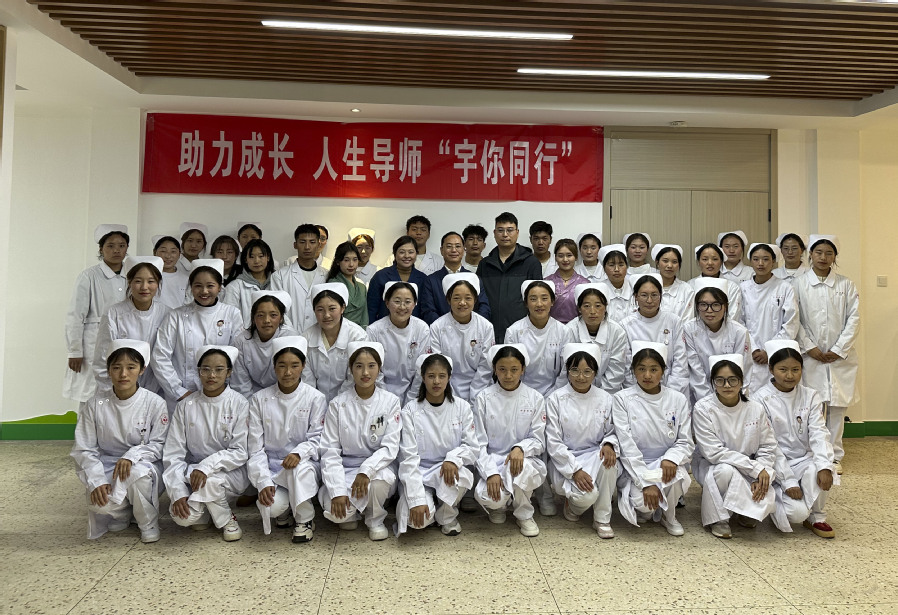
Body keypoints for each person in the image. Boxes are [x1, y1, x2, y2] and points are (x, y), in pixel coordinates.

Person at [71, 339, 169, 543]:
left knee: (137, 475)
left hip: (144, 464)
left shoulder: (154, 403)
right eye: (116, 368)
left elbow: (159, 444)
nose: (123, 374)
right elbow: (84, 449)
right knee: (99, 502)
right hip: (107, 465)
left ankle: (148, 523)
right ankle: (124, 513)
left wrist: (132, 456)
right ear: (108, 370)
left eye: (131, 367)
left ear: (142, 370)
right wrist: (96, 480)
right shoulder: (95, 405)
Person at [163, 345, 249, 541]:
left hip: (230, 472)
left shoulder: (239, 403)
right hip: (193, 473)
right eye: (206, 369)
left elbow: (240, 451)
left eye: (219, 369)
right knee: (183, 517)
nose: (212, 375)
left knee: (210, 481)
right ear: (198, 371)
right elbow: (173, 453)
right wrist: (177, 492)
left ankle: (228, 520)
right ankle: (208, 507)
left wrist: (206, 467)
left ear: (229, 372)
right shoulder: (186, 405)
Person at [247, 336, 327, 543]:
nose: (288, 372)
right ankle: (284, 511)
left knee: (296, 469)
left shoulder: (315, 398)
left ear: (303, 366)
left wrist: (299, 453)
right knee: (271, 507)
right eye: (282, 365)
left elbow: (317, 439)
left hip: (304, 464)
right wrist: (263, 481)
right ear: (274, 367)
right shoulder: (259, 399)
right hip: (272, 468)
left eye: (294, 365)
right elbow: (255, 448)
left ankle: (305, 519)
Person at [319, 342, 402, 541]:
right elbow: (329, 450)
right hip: (345, 469)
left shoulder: (390, 402)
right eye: (359, 366)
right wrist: (338, 491)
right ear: (351, 369)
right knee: (338, 515)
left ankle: (375, 518)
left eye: (371, 366)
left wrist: (366, 470)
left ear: (379, 368)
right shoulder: (338, 404)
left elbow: (390, 447)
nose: (365, 372)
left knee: (379, 482)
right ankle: (353, 511)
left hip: (378, 468)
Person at [756, 340, 838, 539]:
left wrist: (824, 465)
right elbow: (769, 444)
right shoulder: (760, 399)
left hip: (803, 459)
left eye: (795, 369)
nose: (790, 375)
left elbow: (819, 432)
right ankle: (780, 499)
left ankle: (817, 517)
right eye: (783, 369)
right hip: (775, 464)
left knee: (822, 468)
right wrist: (788, 481)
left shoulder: (810, 396)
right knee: (796, 514)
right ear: (771, 369)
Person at [692, 354, 778, 539]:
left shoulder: (755, 408)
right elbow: (714, 453)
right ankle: (720, 519)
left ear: (741, 382)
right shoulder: (703, 408)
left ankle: (743, 510)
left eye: (732, 380)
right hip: (713, 464)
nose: (727, 385)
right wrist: (755, 468)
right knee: (725, 471)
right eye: (720, 380)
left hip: (750, 466)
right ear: (713, 383)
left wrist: (762, 470)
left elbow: (768, 445)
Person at [793, 235, 859, 475]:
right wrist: (809, 346)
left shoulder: (846, 285)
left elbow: (854, 319)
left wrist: (838, 349)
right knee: (812, 406)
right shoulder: (798, 284)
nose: (823, 257)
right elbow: (795, 318)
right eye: (818, 252)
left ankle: (834, 455)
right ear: (810, 254)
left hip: (839, 358)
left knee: (837, 407)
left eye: (828, 253)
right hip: (810, 356)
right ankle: (814, 453)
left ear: (835, 257)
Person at [613, 342, 693, 536]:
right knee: (643, 504)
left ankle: (669, 516)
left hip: (665, 463)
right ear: (633, 371)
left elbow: (685, 441)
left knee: (677, 475)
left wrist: (671, 458)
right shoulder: (622, 398)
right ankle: (646, 509)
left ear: (663, 371)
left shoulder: (677, 399)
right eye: (641, 369)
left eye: (654, 369)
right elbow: (626, 445)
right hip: (635, 466)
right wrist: (646, 482)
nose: (647, 375)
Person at [396, 353, 479, 537]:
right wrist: (417, 499)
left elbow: (472, 447)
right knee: (416, 522)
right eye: (431, 376)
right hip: (419, 472)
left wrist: (452, 459)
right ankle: (429, 504)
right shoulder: (410, 410)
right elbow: (408, 458)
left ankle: (447, 515)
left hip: (447, 471)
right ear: (423, 377)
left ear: (449, 377)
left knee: (461, 476)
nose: (436, 381)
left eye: (442, 376)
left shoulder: (462, 407)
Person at [472, 344, 547, 537]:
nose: (508, 375)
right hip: (493, 460)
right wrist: (490, 473)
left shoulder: (535, 398)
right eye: (502, 369)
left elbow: (539, 440)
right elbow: (478, 443)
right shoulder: (484, 398)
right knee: (490, 498)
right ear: (494, 369)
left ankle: (524, 513)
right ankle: (499, 507)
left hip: (524, 459)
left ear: (523, 369)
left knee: (520, 468)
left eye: (514, 370)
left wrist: (521, 448)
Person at [546, 344, 620, 539]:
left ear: (595, 372)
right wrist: (575, 470)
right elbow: (553, 442)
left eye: (587, 371)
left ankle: (602, 519)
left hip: (594, 454)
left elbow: (613, 430)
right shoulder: (555, 399)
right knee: (587, 496)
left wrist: (609, 444)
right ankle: (572, 507)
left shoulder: (605, 398)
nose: (581, 377)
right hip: (565, 459)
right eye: (575, 370)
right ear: (567, 370)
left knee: (609, 462)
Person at [152, 259, 244, 406]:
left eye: (210, 286)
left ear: (219, 288)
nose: (204, 291)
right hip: (182, 396)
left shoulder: (231, 314)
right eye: (198, 286)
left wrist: (223, 391)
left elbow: (238, 356)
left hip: (220, 394)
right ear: (191, 287)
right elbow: (160, 356)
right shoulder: (176, 316)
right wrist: (179, 391)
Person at [65, 224, 129, 405]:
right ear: (101, 249)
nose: (116, 250)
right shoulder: (89, 276)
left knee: (122, 391)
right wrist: (74, 351)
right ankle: (86, 425)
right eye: (110, 246)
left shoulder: (132, 275)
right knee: (90, 393)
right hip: (93, 343)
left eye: (122, 245)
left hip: (125, 340)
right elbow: (75, 315)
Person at [93, 256, 171, 396]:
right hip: (117, 391)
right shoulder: (113, 313)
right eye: (138, 281)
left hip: (155, 390)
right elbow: (102, 358)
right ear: (129, 282)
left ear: (158, 283)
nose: (144, 287)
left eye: (151, 281)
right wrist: (115, 392)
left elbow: (166, 358)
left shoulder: (167, 314)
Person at [740, 243, 799, 395]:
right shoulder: (743, 288)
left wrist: (770, 351)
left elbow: (791, 323)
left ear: (773, 261)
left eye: (766, 259)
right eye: (756, 259)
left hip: (777, 355)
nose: (761, 263)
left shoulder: (785, 288)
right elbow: (739, 322)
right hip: (750, 354)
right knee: (750, 398)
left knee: (776, 397)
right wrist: (753, 349)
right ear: (750, 261)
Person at [428, 273, 495, 404]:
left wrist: (475, 395)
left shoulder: (485, 326)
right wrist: (451, 395)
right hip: (446, 388)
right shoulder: (437, 327)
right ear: (448, 300)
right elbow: (438, 365)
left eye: (468, 298)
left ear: (475, 300)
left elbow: (485, 366)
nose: (462, 303)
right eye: (457, 298)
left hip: (481, 387)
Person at [476, 212, 543, 342]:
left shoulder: (531, 263)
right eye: (500, 230)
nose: (505, 235)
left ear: (517, 232)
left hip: (523, 332)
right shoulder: (485, 264)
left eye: (510, 230)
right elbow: (479, 298)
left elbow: (536, 299)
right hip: (490, 331)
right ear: (494, 233)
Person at [682, 282, 753, 404]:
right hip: (700, 397)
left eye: (716, 305)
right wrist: (708, 403)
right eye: (703, 305)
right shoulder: (689, 329)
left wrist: (733, 400)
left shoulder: (739, 331)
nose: (709, 310)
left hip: (733, 396)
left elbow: (744, 370)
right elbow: (696, 371)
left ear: (725, 306)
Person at [620, 274, 689, 396]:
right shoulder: (625, 325)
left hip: (671, 389)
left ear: (661, 296)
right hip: (637, 391)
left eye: (654, 295)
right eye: (644, 295)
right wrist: (638, 393)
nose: (649, 301)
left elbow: (680, 361)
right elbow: (627, 367)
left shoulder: (674, 321)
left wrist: (670, 394)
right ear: (636, 297)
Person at [301, 283, 370, 403]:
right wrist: (317, 405)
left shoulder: (358, 337)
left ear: (343, 308)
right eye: (320, 310)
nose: (326, 315)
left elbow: (354, 378)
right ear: (314, 311)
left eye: (332, 309)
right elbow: (307, 380)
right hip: (314, 403)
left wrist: (337, 406)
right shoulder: (306, 338)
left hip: (349, 402)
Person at [505, 280, 575, 396]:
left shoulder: (564, 332)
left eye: (544, 298)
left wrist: (554, 395)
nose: (539, 304)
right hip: (521, 393)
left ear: (552, 301)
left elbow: (566, 369)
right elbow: (510, 368)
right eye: (533, 299)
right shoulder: (513, 332)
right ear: (526, 303)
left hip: (556, 393)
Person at [366, 282, 431, 405]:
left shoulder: (422, 329)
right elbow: (374, 371)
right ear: (387, 303)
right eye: (397, 301)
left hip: (415, 393)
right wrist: (387, 400)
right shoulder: (374, 331)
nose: (402, 307)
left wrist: (412, 400)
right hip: (380, 394)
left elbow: (422, 369)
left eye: (407, 302)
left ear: (414, 304)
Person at [231, 291, 299, 398]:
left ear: (281, 318)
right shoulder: (241, 341)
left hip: (283, 395)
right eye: (260, 315)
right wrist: (252, 405)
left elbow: (293, 376)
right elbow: (240, 384)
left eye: (273, 315)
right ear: (253, 318)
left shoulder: (290, 337)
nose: (267, 320)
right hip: (252, 397)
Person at [565, 284, 630, 393]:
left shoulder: (617, 332)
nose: (593, 311)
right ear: (579, 308)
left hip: (607, 393)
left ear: (606, 307)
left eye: (598, 306)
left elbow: (615, 372)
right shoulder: (569, 330)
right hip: (574, 391)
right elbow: (567, 370)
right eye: (586, 306)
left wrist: (598, 396)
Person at [420, 231, 491, 324]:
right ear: (441, 250)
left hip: (471, 330)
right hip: (442, 331)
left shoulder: (474, 278)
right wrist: (446, 328)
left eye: (458, 246)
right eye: (449, 246)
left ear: (464, 249)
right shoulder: (431, 280)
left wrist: (472, 326)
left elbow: (484, 307)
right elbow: (428, 311)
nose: (454, 250)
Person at [269, 224, 329, 334]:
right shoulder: (280, 276)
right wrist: (291, 334)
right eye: (302, 242)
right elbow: (277, 310)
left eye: (312, 242)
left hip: (320, 335)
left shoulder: (327, 276)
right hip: (289, 336)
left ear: (318, 244)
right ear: (295, 245)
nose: (307, 247)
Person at [367, 236, 430, 323]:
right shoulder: (380, 276)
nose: (406, 256)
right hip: (384, 327)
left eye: (411, 252)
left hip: (414, 327)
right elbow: (371, 308)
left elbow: (425, 309)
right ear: (394, 253)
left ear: (416, 254)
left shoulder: (423, 279)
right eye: (402, 252)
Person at [222, 238, 276, 326]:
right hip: (245, 334)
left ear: (268, 257)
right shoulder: (235, 286)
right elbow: (228, 318)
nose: (256, 261)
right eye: (251, 257)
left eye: (261, 256)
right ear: (245, 260)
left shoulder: (277, 282)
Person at [689, 243, 744, 322]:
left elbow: (732, 316)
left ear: (721, 262)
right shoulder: (690, 286)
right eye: (705, 259)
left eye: (715, 259)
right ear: (698, 262)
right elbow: (690, 315)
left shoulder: (732, 287)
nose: (710, 263)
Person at [544, 238, 589, 324]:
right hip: (552, 327)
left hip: (577, 327)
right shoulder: (547, 282)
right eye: (560, 256)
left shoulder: (585, 284)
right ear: (555, 258)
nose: (565, 260)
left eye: (569, 255)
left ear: (576, 257)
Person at [327, 241, 369, 329]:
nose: (351, 264)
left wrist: (363, 332)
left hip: (359, 332)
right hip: (339, 331)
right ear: (338, 262)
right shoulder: (333, 284)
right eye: (346, 260)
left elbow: (364, 317)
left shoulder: (362, 287)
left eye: (355, 259)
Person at [652, 244, 695, 322]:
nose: (670, 265)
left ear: (679, 265)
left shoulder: (687, 290)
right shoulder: (647, 287)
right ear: (657, 263)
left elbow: (688, 321)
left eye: (674, 262)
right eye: (665, 261)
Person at [595, 244, 635, 323]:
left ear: (627, 267)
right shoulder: (597, 291)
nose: (616, 269)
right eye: (611, 265)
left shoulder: (634, 288)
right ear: (604, 268)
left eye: (621, 264)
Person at [153, 235, 190, 309]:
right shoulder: (150, 277)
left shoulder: (186, 279)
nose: (168, 256)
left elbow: (189, 304)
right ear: (155, 252)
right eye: (163, 251)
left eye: (173, 251)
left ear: (179, 254)